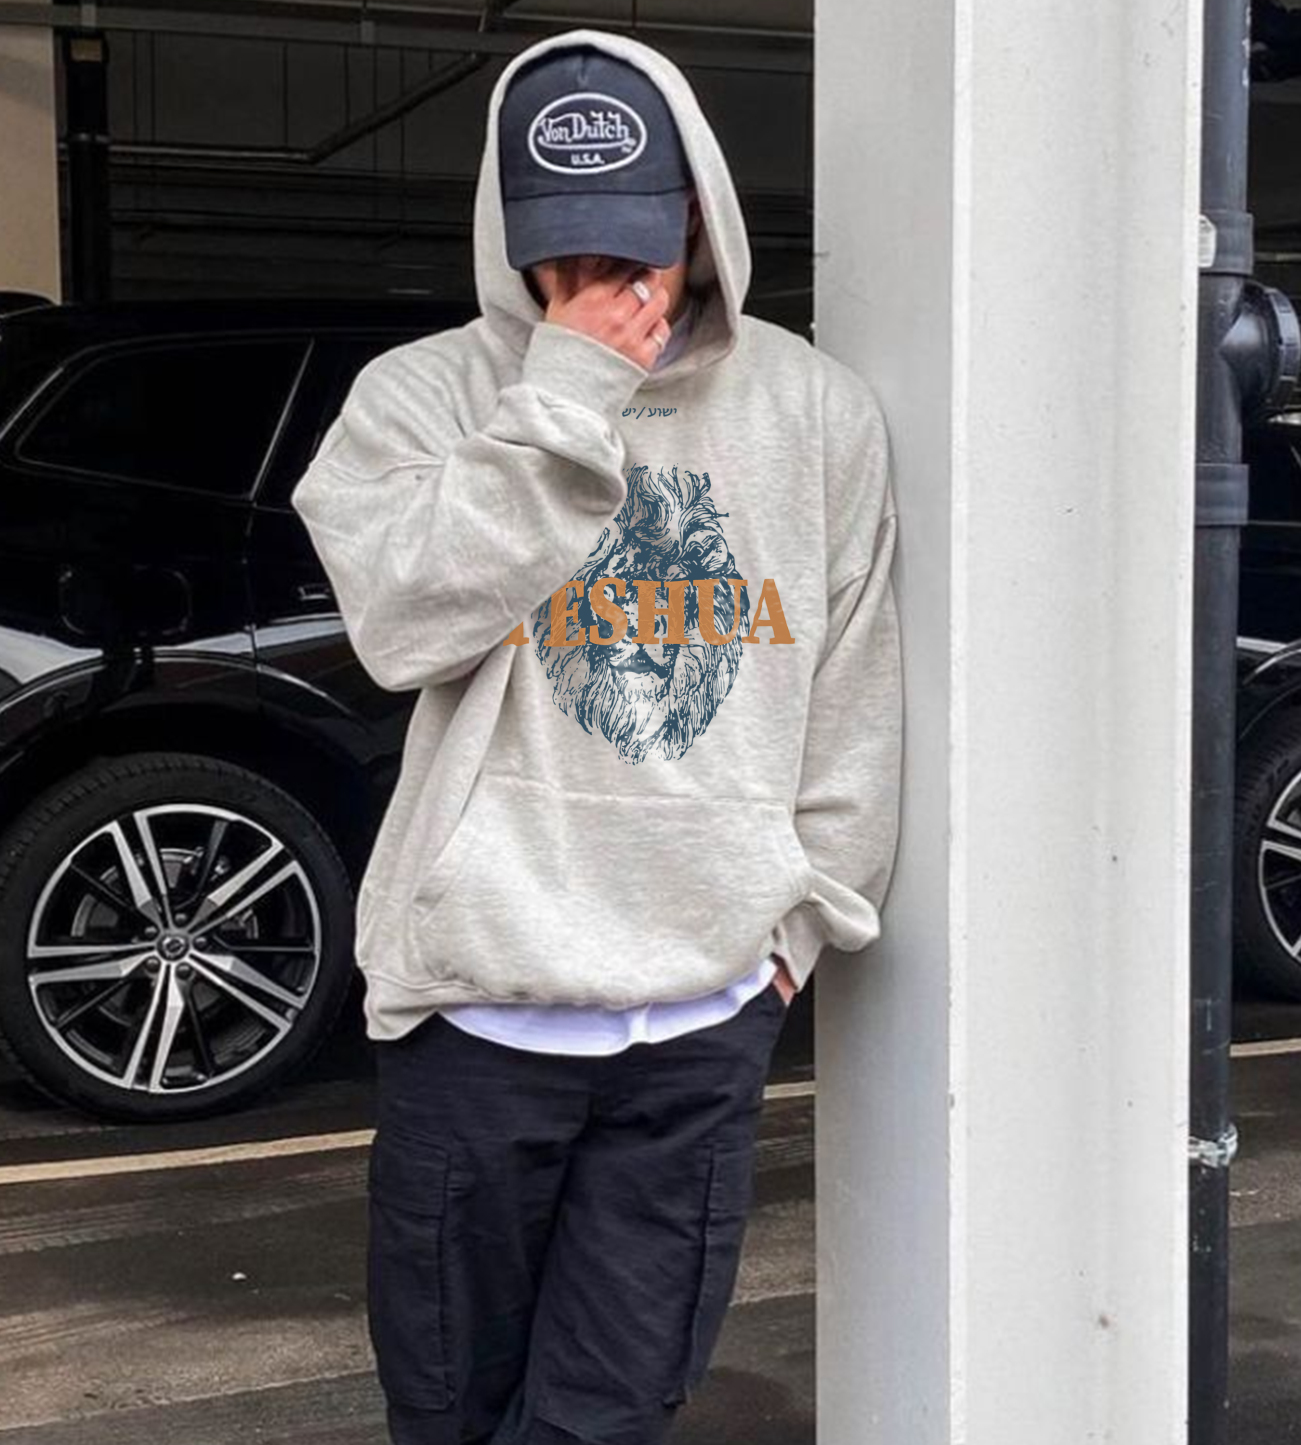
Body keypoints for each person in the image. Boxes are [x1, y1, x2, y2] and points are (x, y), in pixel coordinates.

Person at [290, 27, 902, 1445]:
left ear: (698, 214)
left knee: (606, 1417)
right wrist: (563, 394)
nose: (602, 279)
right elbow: (404, 626)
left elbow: (854, 691)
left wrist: (791, 933)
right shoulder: (421, 398)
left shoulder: (813, 411)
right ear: (507, 234)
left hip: (701, 1012)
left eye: (634, 240)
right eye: (560, 248)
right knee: (447, 1410)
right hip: (477, 1011)